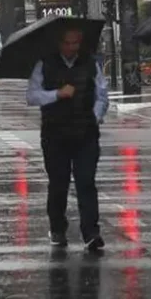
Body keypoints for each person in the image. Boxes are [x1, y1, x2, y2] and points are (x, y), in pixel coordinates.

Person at [26, 25, 109, 252]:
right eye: (68, 43)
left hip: (86, 134)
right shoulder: (45, 64)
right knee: (59, 184)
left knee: (86, 182)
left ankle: (91, 232)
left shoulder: (91, 64)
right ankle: (58, 228)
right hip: (55, 134)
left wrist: (96, 114)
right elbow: (32, 96)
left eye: (76, 43)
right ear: (59, 43)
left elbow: (102, 95)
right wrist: (56, 94)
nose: (72, 47)